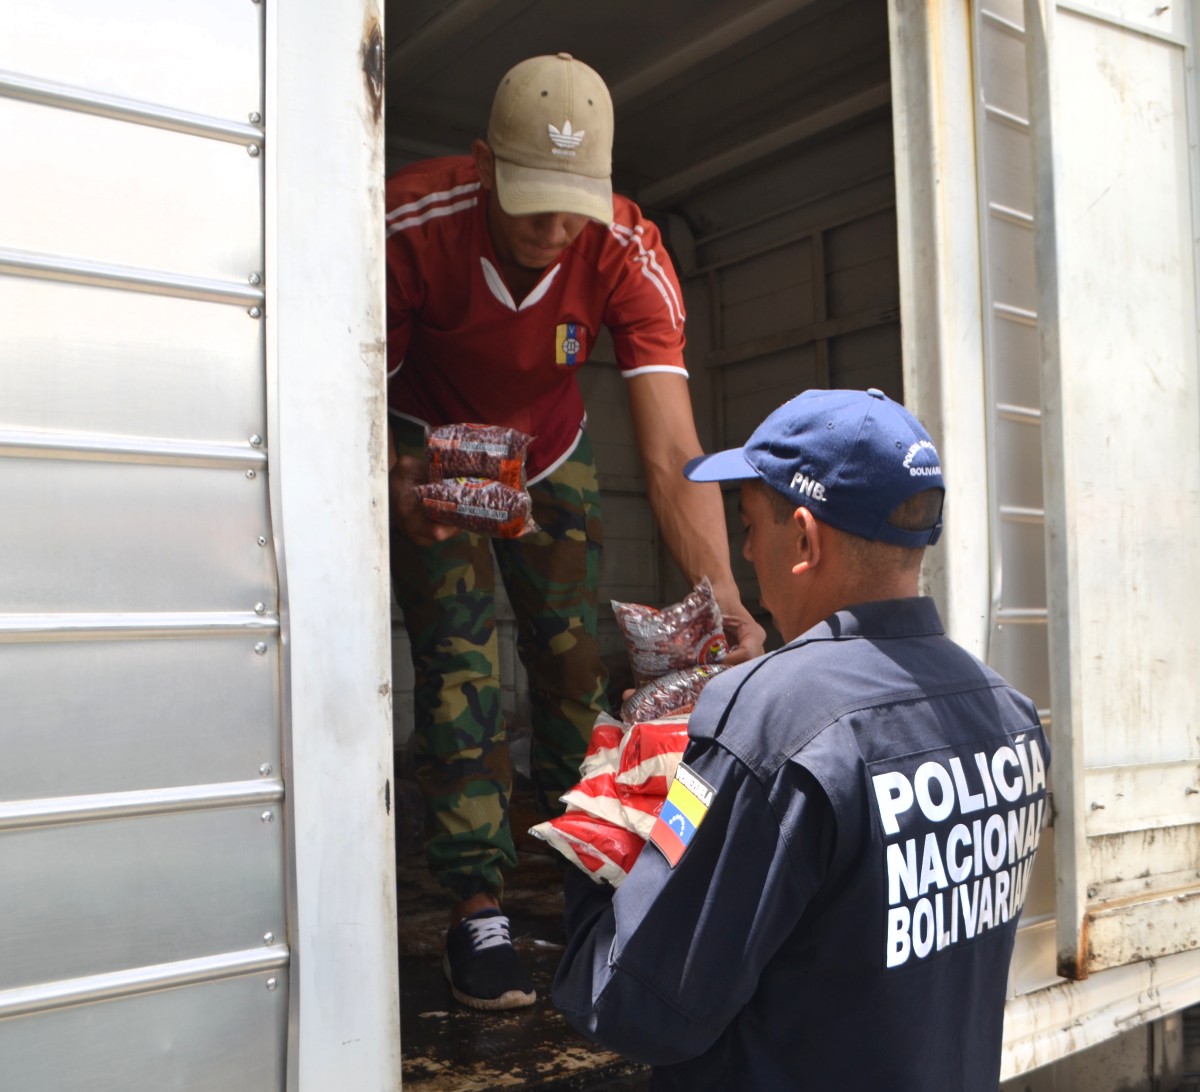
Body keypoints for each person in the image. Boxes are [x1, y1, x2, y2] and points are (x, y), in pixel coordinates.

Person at [386, 52, 766, 1011]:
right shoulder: (405, 227)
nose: (554, 233)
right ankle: (475, 901)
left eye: (573, 209)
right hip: (433, 457)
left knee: (570, 671)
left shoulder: (627, 252)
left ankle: (580, 875)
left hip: (553, 458)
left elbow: (675, 452)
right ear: (481, 165)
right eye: (529, 207)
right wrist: (389, 486)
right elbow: (344, 382)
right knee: (461, 662)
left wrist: (719, 592)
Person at [552, 387, 1050, 1089]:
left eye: (750, 524)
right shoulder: (1009, 716)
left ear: (806, 539)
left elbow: (635, 1004)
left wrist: (605, 807)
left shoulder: (769, 720)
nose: (746, 549)